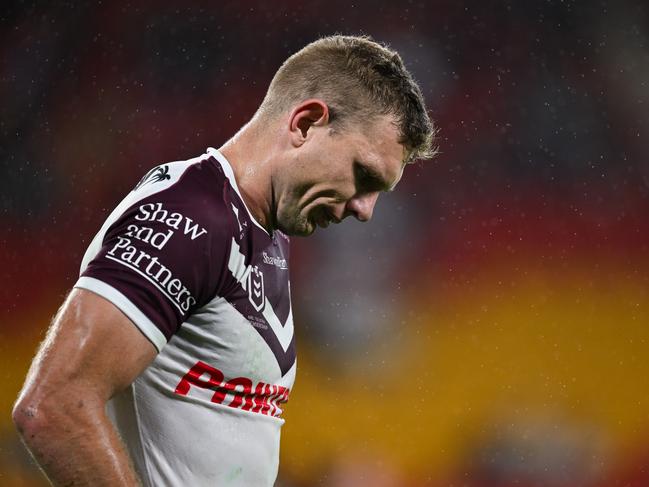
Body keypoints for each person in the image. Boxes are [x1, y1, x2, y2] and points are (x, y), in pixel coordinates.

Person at [12, 35, 436, 486]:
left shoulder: (264, 231)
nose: (365, 210)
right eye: (363, 175)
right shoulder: (188, 218)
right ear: (306, 123)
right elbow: (55, 405)